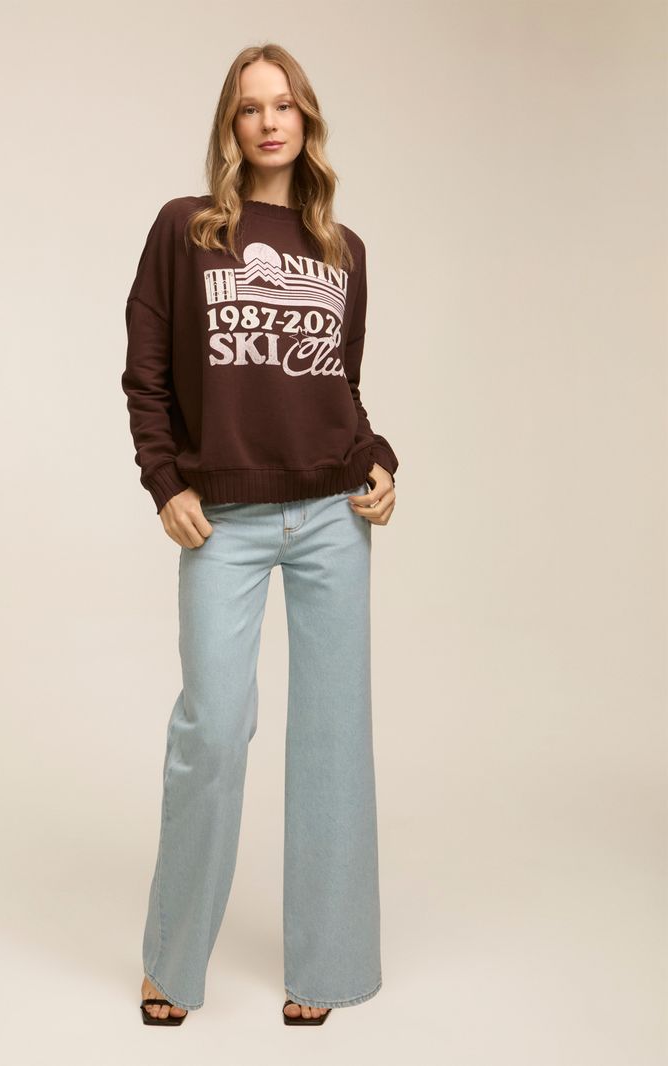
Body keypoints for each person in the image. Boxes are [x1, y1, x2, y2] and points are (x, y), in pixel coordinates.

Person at [122, 43, 399, 1027]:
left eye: (285, 105)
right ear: (229, 126)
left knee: (333, 739)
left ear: (306, 121)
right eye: (250, 108)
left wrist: (379, 459)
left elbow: (337, 388)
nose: (269, 122)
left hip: (332, 512)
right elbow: (146, 375)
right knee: (212, 729)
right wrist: (164, 482)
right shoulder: (184, 230)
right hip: (225, 517)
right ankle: (172, 959)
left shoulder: (342, 250)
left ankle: (325, 969)